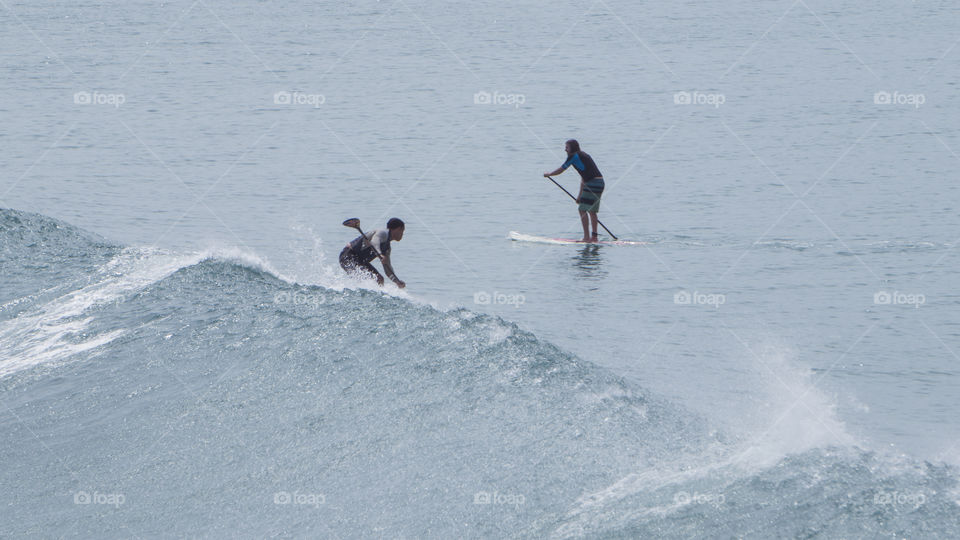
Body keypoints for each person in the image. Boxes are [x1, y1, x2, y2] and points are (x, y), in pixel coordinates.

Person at [544, 139, 605, 242]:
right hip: (600, 183)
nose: (565, 150)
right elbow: (583, 177)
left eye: (567, 147)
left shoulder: (573, 156)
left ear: (572, 148)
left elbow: (561, 169)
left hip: (592, 184)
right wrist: (579, 195)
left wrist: (549, 174)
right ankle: (594, 237)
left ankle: (586, 238)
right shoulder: (584, 155)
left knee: (582, 210)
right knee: (592, 211)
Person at [339, 218, 406, 288]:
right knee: (375, 279)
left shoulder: (387, 248)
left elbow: (387, 269)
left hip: (360, 260)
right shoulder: (382, 232)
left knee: (380, 279)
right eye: (402, 231)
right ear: (398, 229)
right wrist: (380, 254)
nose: (402, 234)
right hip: (347, 256)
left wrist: (396, 281)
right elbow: (374, 242)